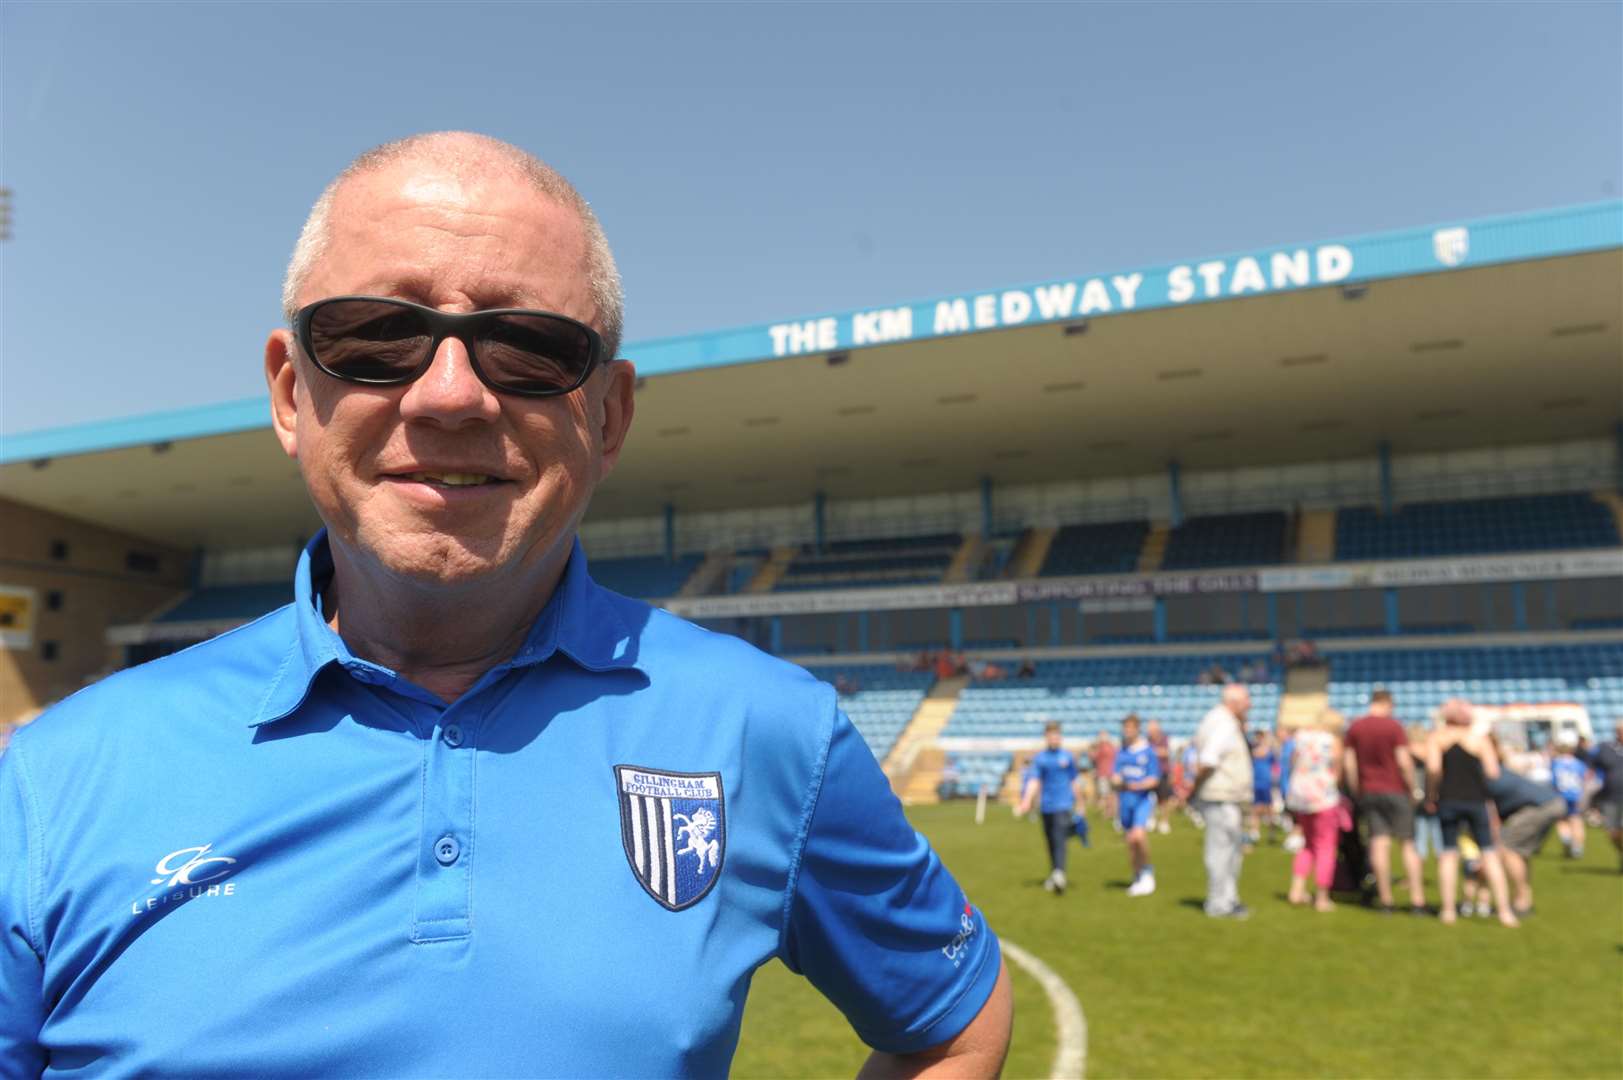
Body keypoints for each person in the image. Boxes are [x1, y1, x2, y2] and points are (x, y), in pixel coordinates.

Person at [0, 133, 1012, 1076]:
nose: (450, 395)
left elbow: (958, 1020)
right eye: (375, 335)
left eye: (528, 347)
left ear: (607, 416)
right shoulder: (48, 786)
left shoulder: (768, 729)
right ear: (287, 393)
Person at [1424, 700, 1518, 928]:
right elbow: (1493, 772)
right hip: (1476, 801)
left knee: (1448, 854)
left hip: (1447, 800)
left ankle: (1448, 911)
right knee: (1489, 853)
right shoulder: (1480, 739)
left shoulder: (1437, 738)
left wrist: (1430, 795)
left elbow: (1434, 769)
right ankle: (1505, 912)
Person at [1343, 689, 1427, 915]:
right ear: (1387, 703)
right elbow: (1403, 762)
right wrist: (1414, 789)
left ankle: (1386, 899)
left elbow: (1350, 764)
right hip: (1396, 789)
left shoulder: (1355, 727)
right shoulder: (1393, 727)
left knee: (1379, 844)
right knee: (1408, 844)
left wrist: (1356, 789)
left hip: (1369, 790)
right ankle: (1417, 899)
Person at [1189, 684, 1255, 919]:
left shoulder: (1218, 720)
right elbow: (1208, 759)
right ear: (1234, 702)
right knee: (1222, 851)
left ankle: (1227, 899)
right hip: (1221, 796)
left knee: (1227, 850)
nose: (1250, 705)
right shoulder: (1224, 723)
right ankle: (1219, 903)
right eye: (1247, 700)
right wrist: (1195, 787)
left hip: (1223, 795)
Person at [1484, 758, 1566, 917]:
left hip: (1539, 806)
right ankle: (1523, 900)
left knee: (1509, 849)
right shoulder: (1493, 768)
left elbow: (1492, 817)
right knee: (1519, 852)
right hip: (1550, 803)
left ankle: (1521, 903)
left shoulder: (1484, 773)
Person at [1285, 710, 1344, 913]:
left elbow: (1292, 762)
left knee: (1307, 845)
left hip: (1300, 795)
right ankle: (1322, 897)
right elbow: (1337, 767)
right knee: (1325, 846)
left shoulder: (1301, 737)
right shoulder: (1332, 741)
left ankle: (1296, 889)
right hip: (1323, 797)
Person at [1017, 721, 1085, 894]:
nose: (1054, 738)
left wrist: (1080, 803)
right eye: (1051, 735)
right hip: (1046, 806)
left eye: (1057, 735)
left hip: (1063, 805)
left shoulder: (1067, 757)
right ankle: (1055, 872)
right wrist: (1026, 801)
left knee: (1059, 838)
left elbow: (1074, 781)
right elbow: (1034, 781)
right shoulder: (1041, 759)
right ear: (1046, 737)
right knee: (1050, 841)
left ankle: (1060, 873)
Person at [1112, 714, 1162, 896]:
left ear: (1137, 729)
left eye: (1130, 728)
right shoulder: (1122, 752)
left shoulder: (1148, 752)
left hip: (1142, 799)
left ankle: (1147, 871)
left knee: (1138, 836)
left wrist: (1137, 785)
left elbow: (1154, 779)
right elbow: (1116, 775)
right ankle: (1137, 874)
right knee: (1130, 841)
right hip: (1126, 800)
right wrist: (1117, 781)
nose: (1127, 731)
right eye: (1125, 728)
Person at [1580, 721, 1623, 871]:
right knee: (1613, 832)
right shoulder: (1606, 748)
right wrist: (1588, 775)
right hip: (1610, 796)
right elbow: (1592, 764)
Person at [1550, 736, 1589, 859]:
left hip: (1561, 795)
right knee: (1576, 821)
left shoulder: (1555, 763)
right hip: (1576, 795)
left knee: (1561, 820)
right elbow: (1585, 779)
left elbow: (1553, 780)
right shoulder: (1579, 763)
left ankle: (1566, 840)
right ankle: (1577, 848)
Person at [1247, 729, 1278, 847]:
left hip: (1266, 782)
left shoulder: (1269, 749)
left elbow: (1270, 753)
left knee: (1269, 809)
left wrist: (1268, 740)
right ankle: (1254, 832)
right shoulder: (1253, 750)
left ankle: (1271, 832)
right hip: (1256, 782)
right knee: (1256, 808)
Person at [1146, 717, 1174, 835]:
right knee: (1149, 798)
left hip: (1163, 772)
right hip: (1150, 773)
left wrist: (1153, 752)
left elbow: (1166, 752)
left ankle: (1164, 822)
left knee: (1164, 799)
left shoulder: (1164, 738)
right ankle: (1150, 819)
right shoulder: (1146, 740)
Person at [1092, 730, 1119, 827]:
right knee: (1109, 794)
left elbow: (1094, 757)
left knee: (1109, 794)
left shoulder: (1104, 747)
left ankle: (1110, 812)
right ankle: (1111, 812)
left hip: (1106, 773)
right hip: (1106, 773)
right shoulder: (1110, 746)